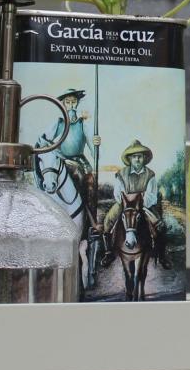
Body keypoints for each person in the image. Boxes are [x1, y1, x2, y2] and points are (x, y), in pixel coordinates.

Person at [35, 89, 100, 286]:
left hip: (79, 162)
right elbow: (43, 140)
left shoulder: (82, 124)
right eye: (67, 103)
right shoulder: (58, 123)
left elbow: (91, 143)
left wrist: (96, 144)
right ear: (62, 105)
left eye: (73, 103)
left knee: (88, 182)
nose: (71, 106)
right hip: (62, 161)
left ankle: (91, 221)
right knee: (47, 177)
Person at [101, 139, 172, 269]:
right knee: (107, 221)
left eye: (140, 157)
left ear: (144, 158)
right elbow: (118, 193)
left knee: (160, 225)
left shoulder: (150, 175)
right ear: (130, 159)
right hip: (124, 203)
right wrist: (127, 202)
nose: (137, 160)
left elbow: (151, 196)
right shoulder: (121, 174)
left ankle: (162, 256)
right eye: (134, 157)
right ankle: (108, 252)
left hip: (144, 204)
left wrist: (140, 203)